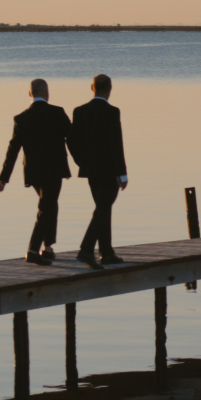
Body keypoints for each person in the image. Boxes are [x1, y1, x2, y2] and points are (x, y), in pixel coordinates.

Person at [0, 79, 73, 265]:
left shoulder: (21, 118)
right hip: (55, 170)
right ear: (47, 93)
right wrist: (85, 163)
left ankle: (47, 248)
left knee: (49, 205)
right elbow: (73, 138)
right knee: (46, 207)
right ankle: (32, 250)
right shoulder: (57, 113)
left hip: (33, 172)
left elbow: (13, 149)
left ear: (29, 94)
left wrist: (3, 178)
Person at [68, 74, 128, 269]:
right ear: (109, 88)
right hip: (109, 170)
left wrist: (82, 162)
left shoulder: (79, 111)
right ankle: (86, 249)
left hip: (90, 170)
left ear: (91, 88)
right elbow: (116, 144)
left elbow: (71, 141)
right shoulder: (112, 112)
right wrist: (122, 173)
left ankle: (106, 252)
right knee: (103, 208)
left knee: (102, 208)